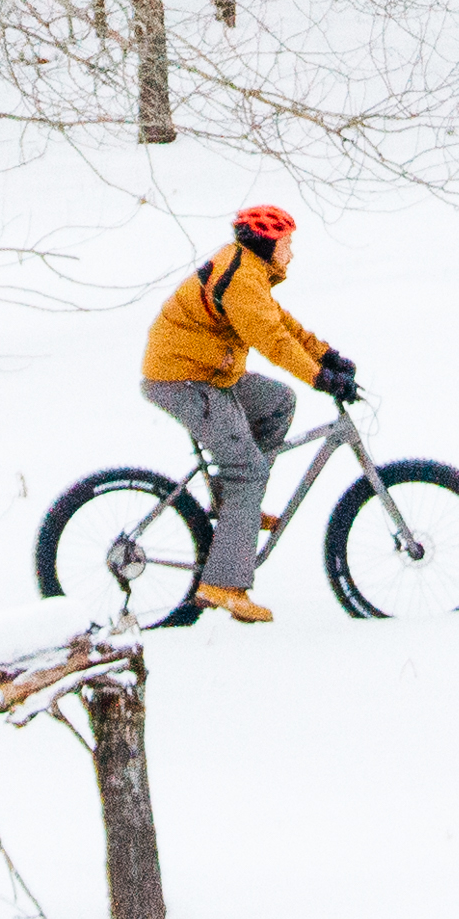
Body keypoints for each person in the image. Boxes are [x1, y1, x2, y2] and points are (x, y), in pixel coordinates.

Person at [140, 204, 359, 624]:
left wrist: (326, 355)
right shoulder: (241, 279)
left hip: (206, 370)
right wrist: (322, 378)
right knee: (249, 469)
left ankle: (234, 503)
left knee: (277, 403)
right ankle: (222, 584)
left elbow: (279, 321)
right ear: (266, 243)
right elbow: (273, 341)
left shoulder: (249, 270)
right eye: (287, 244)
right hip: (183, 378)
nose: (291, 253)